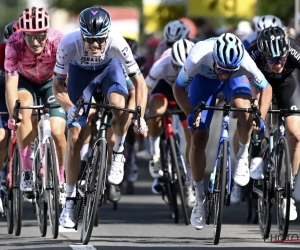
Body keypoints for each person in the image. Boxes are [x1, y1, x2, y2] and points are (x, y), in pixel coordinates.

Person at [53, 6, 148, 228]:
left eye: (101, 40)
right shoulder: (68, 44)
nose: (96, 45)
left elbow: (139, 83)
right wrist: (69, 107)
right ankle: (69, 200)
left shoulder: (117, 42)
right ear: (82, 35)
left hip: (109, 70)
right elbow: (58, 86)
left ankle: (117, 154)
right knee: (75, 135)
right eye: (90, 40)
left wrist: (140, 115)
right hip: (80, 74)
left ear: (108, 34)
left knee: (118, 104)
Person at [173, 33, 272, 230]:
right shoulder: (197, 56)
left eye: (230, 70)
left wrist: (260, 116)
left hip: (235, 84)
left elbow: (266, 88)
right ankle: (200, 199)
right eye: (222, 69)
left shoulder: (243, 59)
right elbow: (178, 88)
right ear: (214, 59)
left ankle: (242, 156)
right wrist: (190, 113)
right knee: (198, 137)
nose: (224, 73)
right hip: (203, 82)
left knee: (245, 110)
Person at [5, 7, 67, 196]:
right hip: (25, 82)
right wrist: (13, 114)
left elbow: (68, 77)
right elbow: (10, 85)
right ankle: (26, 170)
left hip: (51, 82)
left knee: (57, 131)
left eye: (40, 36)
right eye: (29, 36)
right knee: (25, 111)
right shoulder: (14, 44)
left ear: (47, 32)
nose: (35, 42)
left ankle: (62, 177)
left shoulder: (58, 41)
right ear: (22, 33)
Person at [247, 26, 300, 220]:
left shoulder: (294, 50)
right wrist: (252, 106)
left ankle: (288, 189)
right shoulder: (252, 53)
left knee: (295, 134)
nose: (278, 64)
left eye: (282, 59)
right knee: (253, 117)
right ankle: (256, 154)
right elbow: (243, 81)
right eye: (272, 60)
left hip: (287, 84)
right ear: (262, 54)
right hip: (260, 83)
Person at [146, 39, 195, 207]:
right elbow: (146, 89)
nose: (181, 72)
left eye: (184, 69)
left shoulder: (199, 64)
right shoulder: (161, 65)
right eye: (177, 68)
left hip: (186, 91)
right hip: (164, 87)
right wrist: (145, 112)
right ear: (172, 62)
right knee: (156, 113)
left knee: (192, 135)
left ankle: (189, 185)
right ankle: (155, 154)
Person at [0, 21, 19, 214]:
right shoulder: (1, 51)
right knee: (2, 138)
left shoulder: (27, 53)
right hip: (1, 97)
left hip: (19, 95)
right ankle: (1, 181)